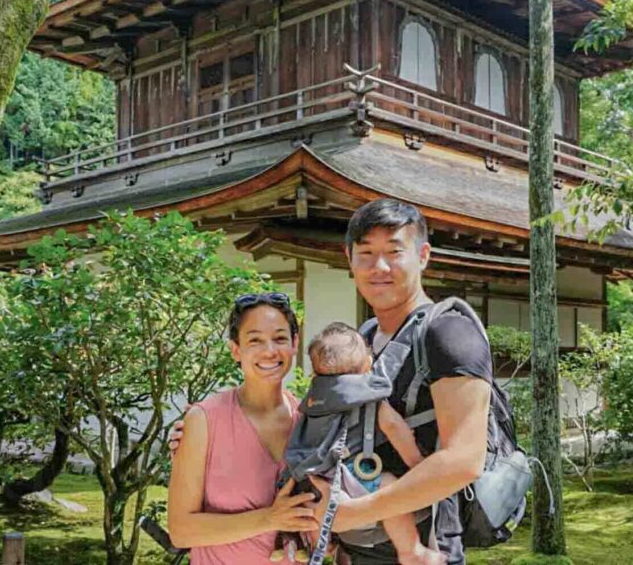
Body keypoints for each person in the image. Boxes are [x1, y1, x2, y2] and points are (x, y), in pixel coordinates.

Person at [172, 199, 492, 565]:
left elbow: (465, 460)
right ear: (349, 259)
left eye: (394, 251)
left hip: (422, 548)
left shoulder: (448, 332)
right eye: (366, 253)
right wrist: (199, 435)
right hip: (354, 551)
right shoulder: (365, 338)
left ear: (423, 255)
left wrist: (351, 513)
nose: (380, 266)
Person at [270, 322, 444, 565]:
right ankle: (411, 551)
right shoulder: (370, 401)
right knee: (390, 487)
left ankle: (313, 544)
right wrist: (417, 464)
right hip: (351, 479)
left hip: (312, 483)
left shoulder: (314, 400)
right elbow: (395, 428)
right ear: (367, 365)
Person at [167, 292, 321, 564]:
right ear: (236, 349)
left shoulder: (307, 420)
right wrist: (268, 518)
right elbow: (180, 531)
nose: (269, 350)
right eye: (255, 340)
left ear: (295, 343)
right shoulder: (204, 421)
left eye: (280, 338)